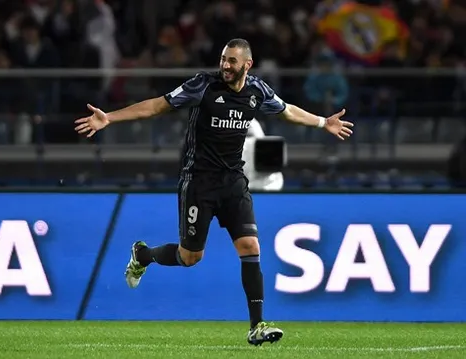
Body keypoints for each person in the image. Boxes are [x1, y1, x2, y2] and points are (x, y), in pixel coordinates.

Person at [74, 38, 353, 346]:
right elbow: (157, 105)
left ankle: (257, 325)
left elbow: (286, 111)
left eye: (232, 61)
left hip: (233, 181)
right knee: (190, 256)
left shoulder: (256, 91)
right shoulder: (203, 85)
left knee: (250, 246)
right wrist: (110, 118)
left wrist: (322, 122)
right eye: (223, 59)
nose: (225, 65)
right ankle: (143, 255)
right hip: (198, 182)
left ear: (247, 64)